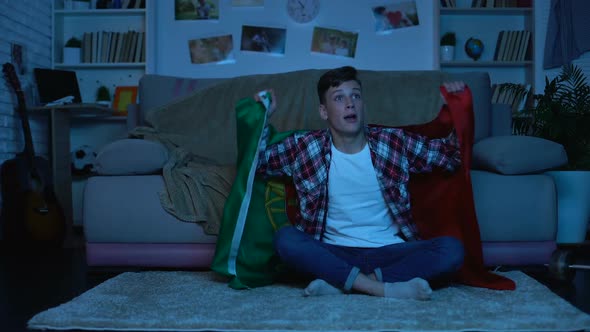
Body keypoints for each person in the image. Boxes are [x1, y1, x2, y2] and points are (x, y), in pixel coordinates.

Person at [253, 66, 466, 300]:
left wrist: (455, 107)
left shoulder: (392, 142)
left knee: (452, 250)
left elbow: (450, 157)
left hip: (390, 251)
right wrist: (261, 117)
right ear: (323, 111)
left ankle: (343, 284)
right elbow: (257, 163)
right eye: (339, 98)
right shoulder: (304, 146)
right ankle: (382, 288)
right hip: (333, 252)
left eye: (355, 95)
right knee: (286, 239)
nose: (350, 103)